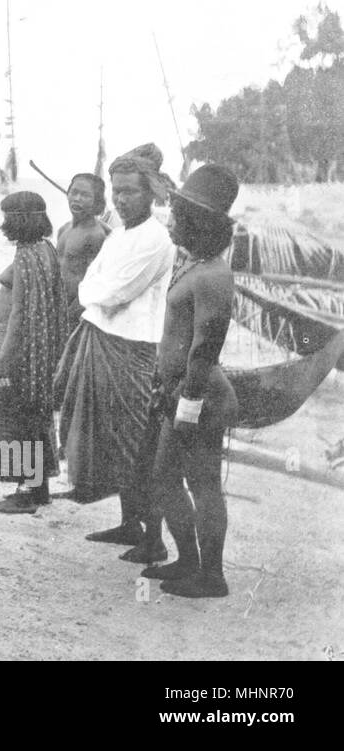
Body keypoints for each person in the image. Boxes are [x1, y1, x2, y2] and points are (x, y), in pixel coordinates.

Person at [55, 144, 175, 558]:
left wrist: (93, 293)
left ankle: (154, 538)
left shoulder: (157, 239)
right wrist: (94, 293)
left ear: (152, 193)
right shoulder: (120, 234)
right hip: (101, 338)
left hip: (133, 349)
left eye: (132, 192)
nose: (123, 200)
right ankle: (128, 524)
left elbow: (115, 290)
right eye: (118, 192)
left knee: (136, 443)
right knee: (107, 437)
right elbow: (94, 283)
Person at [141, 165, 240, 598]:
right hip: (179, 394)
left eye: (178, 215)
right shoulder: (193, 265)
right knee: (163, 480)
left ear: (198, 223)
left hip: (200, 397)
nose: (169, 221)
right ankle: (189, 561)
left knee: (202, 484)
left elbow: (205, 350)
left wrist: (187, 407)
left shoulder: (214, 276)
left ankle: (212, 576)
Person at [0, 192, 67, 513]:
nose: (4, 226)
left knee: (22, 419)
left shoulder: (27, 256)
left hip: (24, 354)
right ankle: (37, 488)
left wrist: (4, 358)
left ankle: (28, 491)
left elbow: (19, 313)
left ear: (22, 219)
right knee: (34, 418)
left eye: (9, 218)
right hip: (39, 352)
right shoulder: (47, 250)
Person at [56, 173, 111, 332]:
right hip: (58, 306)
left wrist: (72, 313)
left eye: (85, 195)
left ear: (97, 201)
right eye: (74, 192)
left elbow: (95, 282)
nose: (77, 198)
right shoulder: (63, 229)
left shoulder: (95, 235)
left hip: (77, 312)